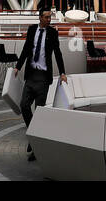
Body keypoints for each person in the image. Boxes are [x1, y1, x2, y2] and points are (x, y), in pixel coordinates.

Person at [15, 9, 67, 161]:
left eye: (50, 17)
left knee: (39, 112)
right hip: (31, 75)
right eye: (46, 17)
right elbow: (26, 49)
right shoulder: (32, 30)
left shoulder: (52, 33)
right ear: (40, 18)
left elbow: (57, 53)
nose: (49, 20)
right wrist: (18, 66)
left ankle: (35, 145)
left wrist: (63, 72)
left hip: (43, 78)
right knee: (24, 105)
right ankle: (34, 136)